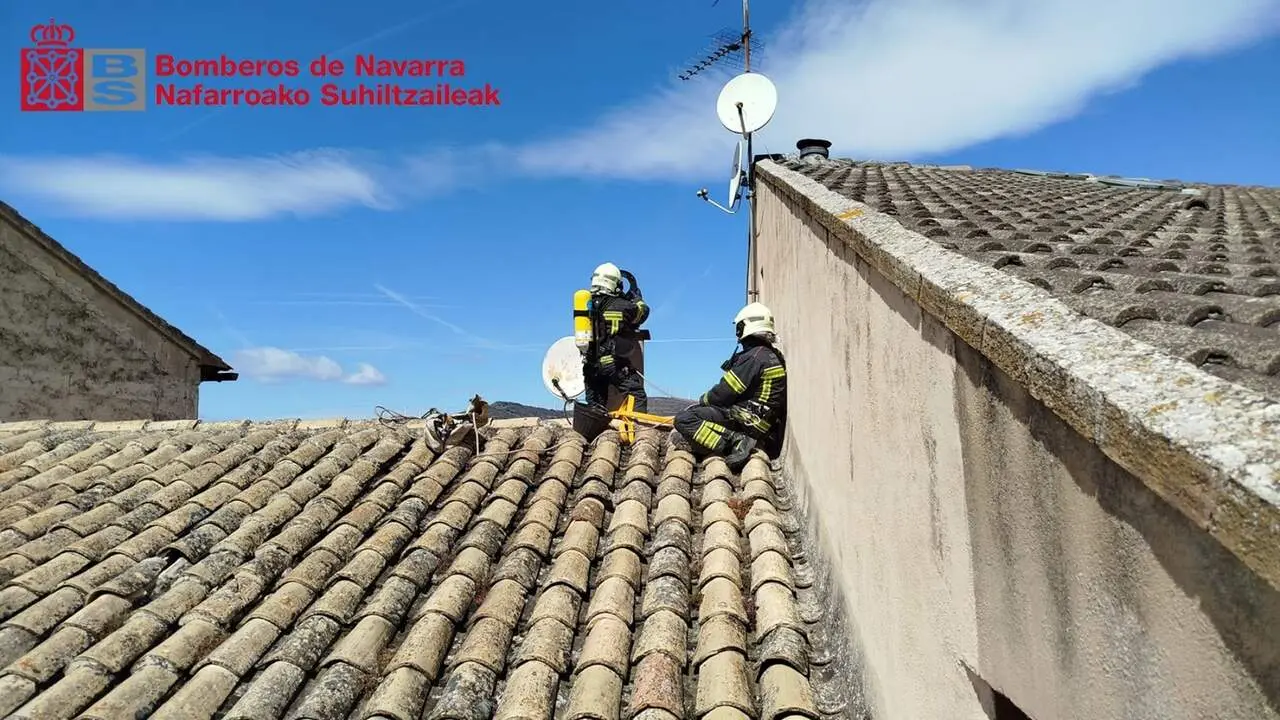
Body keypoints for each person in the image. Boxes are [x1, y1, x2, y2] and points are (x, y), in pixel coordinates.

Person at [674, 301, 787, 471]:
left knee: (685, 419)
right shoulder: (771, 355)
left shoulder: (753, 357)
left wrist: (703, 401)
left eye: (739, 328)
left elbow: (723, 394)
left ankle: (735, 441)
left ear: (746, 328)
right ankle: (729, 441)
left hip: (747, 422)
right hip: (762, 424)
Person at [583, 262, 651, 412]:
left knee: (596, 408)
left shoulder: (586, 304)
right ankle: (637, 426)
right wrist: (636, 298)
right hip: (612, 364)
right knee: (636, 395)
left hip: (590, 365)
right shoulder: (622, 305)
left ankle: (592, 426)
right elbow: (642, 313)